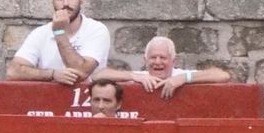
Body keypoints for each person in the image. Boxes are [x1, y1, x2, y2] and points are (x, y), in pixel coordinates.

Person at [6, 0, 111, 84]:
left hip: (86, 98)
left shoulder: (96, 29)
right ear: (53, 2)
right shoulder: (40, 33)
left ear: (81, 0)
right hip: (50, 98)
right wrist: (52, 74)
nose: (65, 3)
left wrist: (59, 32)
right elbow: (13, 71)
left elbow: (80, 72)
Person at [93, 36, 231, 97]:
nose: (157, 62)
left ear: (173, 61)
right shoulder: (139, 77)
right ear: (145, 60)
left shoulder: (180, 74)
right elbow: (98, 75)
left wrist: (184, 78)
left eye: (163, 58)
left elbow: (223, 75)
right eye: (153, 57)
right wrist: (134, 76)